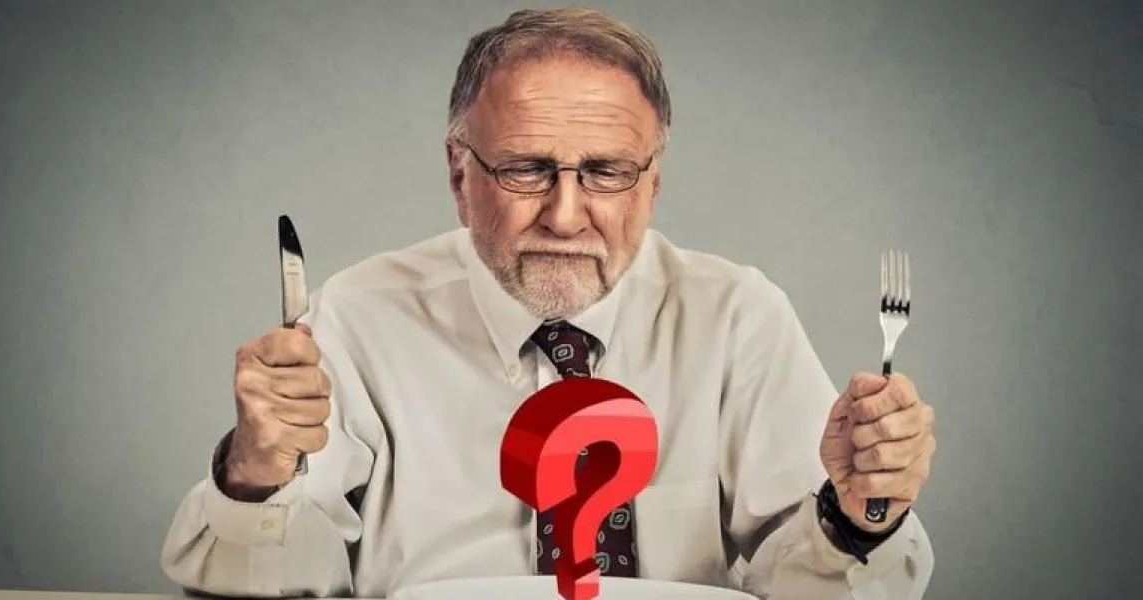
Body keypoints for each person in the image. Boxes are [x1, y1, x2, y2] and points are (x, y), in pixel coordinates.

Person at [161, 6, 937, 599]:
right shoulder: (360, 317)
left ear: (654, 181)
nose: (566, 216)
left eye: (605, 171)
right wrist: (256, 473)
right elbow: (267, 585)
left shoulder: (737, 317)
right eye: (527, 169)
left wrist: (858, 513)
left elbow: (808, 583)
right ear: (460, 174)